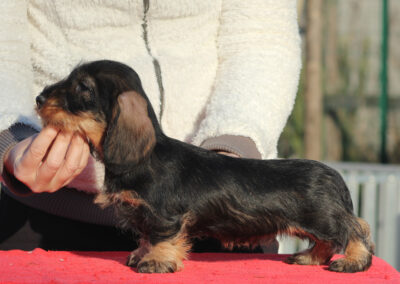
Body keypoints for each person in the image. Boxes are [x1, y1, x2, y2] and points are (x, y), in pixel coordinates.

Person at [0, 1, 301, 251]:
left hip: (218, 208)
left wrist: (234, 148)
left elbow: (262, 39)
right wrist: (10, 137)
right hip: (44, 217)